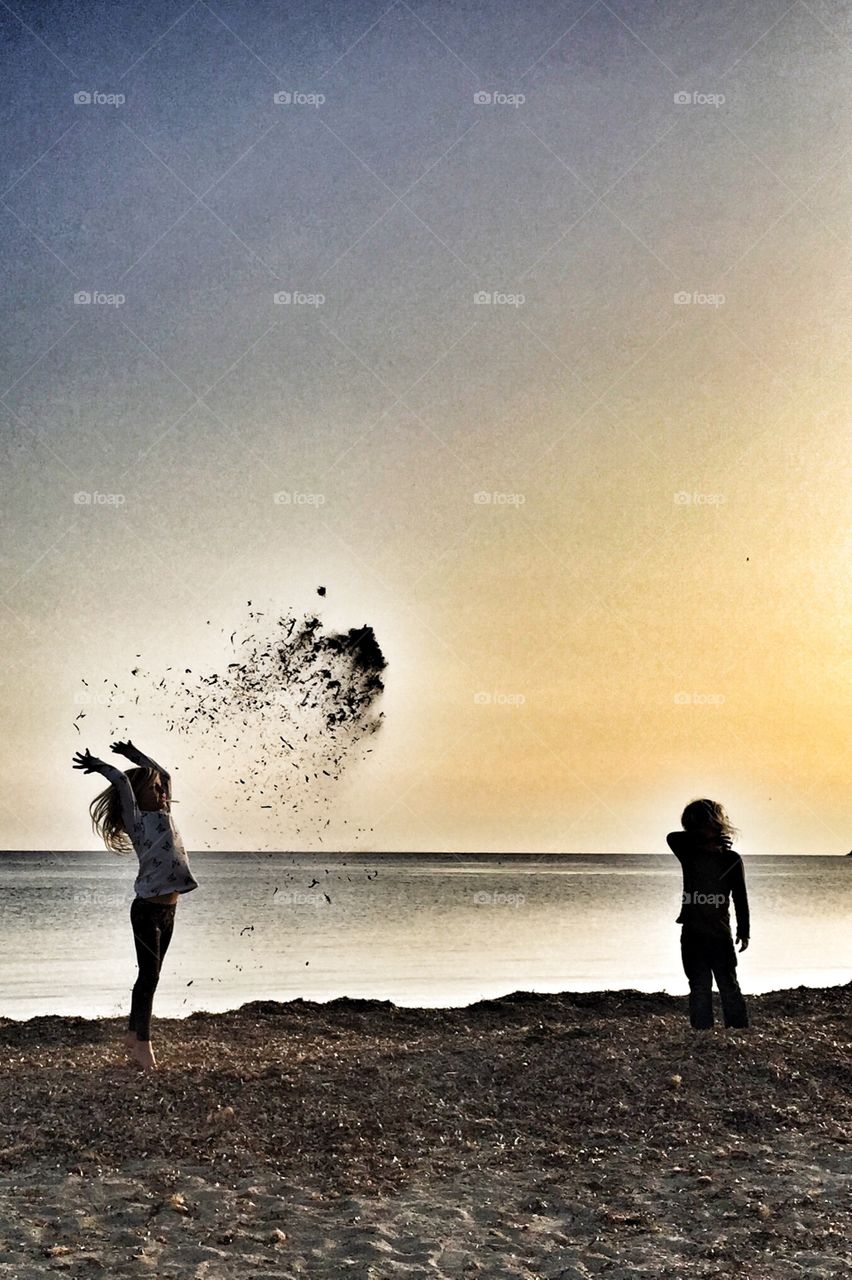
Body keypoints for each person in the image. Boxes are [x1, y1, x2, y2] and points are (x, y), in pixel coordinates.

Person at [72, 739, 198, 1069]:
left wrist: (133, 753)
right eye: (153, 789)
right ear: (138, 797)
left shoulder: (165, 811)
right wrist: (100, 764)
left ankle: (132, 1033)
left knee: (151, 974)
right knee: (149, 977)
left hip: (170, 910)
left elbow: (163, 774)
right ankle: (143, 1044)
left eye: (161, 790)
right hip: (146, 911)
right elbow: (122, 781)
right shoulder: (138, 820)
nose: (161, 792)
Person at [667, 798, 750, 1031]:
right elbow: (672, 837)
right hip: (692, 932)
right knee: (699, 986)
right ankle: (701, 1031)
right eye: (692, 829)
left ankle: (738, 1029)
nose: (695, 832)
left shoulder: (730, 859)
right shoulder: (689, 854)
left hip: (719, 934)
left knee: (728, 985)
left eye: (701, 826)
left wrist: (744, 930)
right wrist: (705, 841)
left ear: (715, 825)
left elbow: (740, 898)